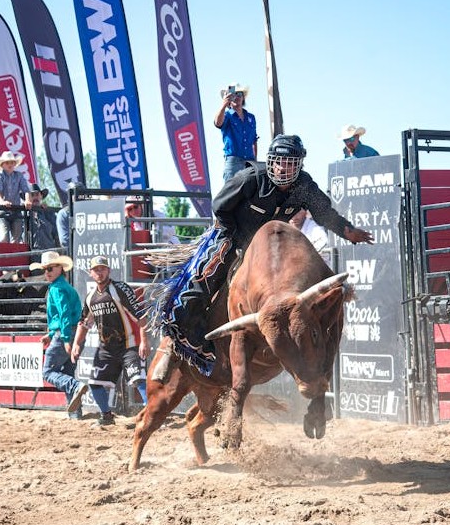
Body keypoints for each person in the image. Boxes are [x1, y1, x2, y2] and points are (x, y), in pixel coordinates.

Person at [151, 134, 374, 374]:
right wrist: (235, 239)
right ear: (271, 162)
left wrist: (348, 231)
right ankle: (178, 342)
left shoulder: (305, 186)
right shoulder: (251, 178)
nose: (283, 168)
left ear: (298, 165)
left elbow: (324, 213)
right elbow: (220, 206)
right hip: (233, 236)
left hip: (272, 248)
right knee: (200, 281)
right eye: (279, 162)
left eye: (289, 163)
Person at [71, 256, 150, 426]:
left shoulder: (120, 289)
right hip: (106, 348)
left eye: (102, 269)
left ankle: (152, 415)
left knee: (138, 379)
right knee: (94, 383)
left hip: (128, 344)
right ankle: (106, 416)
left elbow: (140, 315)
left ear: (108, 270)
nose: (100, 273)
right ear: (91, 273)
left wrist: (144, 341)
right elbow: (84, 322)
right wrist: (76, 343)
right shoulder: (90, 297)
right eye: (96, 270)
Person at [30, 250, 89, 419]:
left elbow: (64, 314)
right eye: (45, 269)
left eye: (50, 268)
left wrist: (65, 338)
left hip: (66, 333)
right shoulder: (64, 287)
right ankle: (75, 414)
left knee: (48, 372)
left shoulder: (57, 288)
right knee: (68, 371)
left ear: (60, 268)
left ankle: (75, 387)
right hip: (75, 332)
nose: (47, 273)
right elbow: (63, 315)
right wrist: (50, 334)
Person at [214, 83, 258, 182]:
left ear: (243, 98)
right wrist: (223, 105)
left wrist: (255, 161)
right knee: (231, 190)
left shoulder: (251, 117)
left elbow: (254, 140)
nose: (237, 97)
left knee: (250, 190)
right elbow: (217, 123)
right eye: (233, 94)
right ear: (228, 98)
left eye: (239, 94)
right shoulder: (226, 115)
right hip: (233, 161)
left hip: (250, 162)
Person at [0, 151, 31, 243]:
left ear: (15, 164)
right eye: (7, 162)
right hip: (2, 211)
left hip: (16, 210)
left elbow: (26, 190)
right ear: (2, 165)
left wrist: (27, 200)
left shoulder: (19, 175)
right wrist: (2, 202)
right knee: (4, 239)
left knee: (17, 239)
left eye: (12, 162)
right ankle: (5, 252)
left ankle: (15, 253)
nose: (10, 164)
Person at [24, 184, 59, 251]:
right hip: (30, 253)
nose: (35, 197)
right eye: (32, 195)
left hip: (49, 252)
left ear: (41, 196)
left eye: (37, 194)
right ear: (28, 198)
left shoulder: (49, 213)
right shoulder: (23, 214)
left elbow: (56, 234)